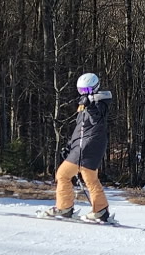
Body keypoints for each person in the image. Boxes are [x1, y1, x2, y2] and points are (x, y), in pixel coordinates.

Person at [43, 73, 114, 223]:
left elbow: (96, 121)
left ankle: (65, 208)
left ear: (94, 87)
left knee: (63, 174)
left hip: (88, 147)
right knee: (90, 179)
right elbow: (80, 129)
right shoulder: (86, 104)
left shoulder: (100, 103)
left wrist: (90, 105)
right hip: (84, 147)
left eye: (86, 90)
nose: (83, 93)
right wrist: (70, 146)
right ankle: (100, 210)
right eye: (81, 90)